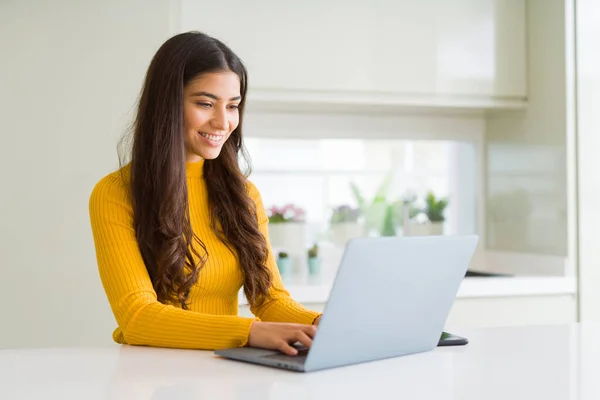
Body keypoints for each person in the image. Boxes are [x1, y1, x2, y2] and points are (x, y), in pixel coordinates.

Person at [89, 31, 321, 356]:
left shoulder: (244, 194)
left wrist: (322, 323)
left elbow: (270, 299)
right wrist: (251, 333)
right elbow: (137, 317)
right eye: (205, 103)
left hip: (224, 370)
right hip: (149, 375)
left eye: (233, 106)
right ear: (167, 104)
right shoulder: (116, 193)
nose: (223, 122)